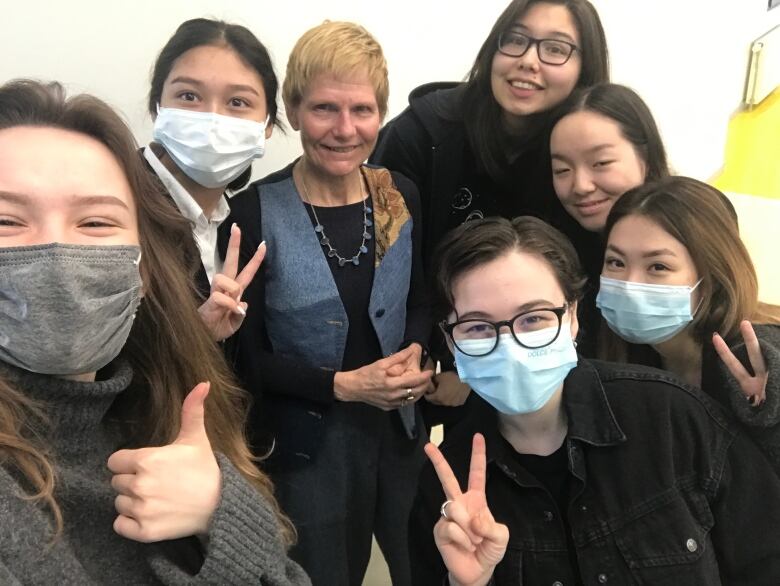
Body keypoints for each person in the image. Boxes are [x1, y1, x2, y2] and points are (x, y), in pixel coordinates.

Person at [0, 79, 309, 585]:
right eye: (7, 221)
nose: (56, 250)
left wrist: (221, 511)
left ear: (142, 269)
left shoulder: (163, 415)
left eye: (96, 223)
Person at [409, 215, 780, 586]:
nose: (510, 344)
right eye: (477, 326)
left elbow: (765, 558)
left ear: (572, 316)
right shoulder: (448, 490)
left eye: (534, 318)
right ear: (449, 338)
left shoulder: (671, 416)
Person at [227, 22, 432, 586]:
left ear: (382, 113)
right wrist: (344, 386)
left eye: (362, 110)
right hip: (307, 449)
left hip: (398, 434)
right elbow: (243, 359)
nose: (345, 129)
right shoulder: (251, 213)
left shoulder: (398, 193)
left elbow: (421, 299)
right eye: (324, 108)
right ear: (292, 111)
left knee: (423, 565)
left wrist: (418, 351)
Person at [371, 0, 609, 412]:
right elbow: (386, 260)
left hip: (546, 359)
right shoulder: (424, 134)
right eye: (514, 41)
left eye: (555, 48)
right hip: (427, 353)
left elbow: (591, 268)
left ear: (584, 68)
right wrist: (445, 356)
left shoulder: (582, 154)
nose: (528, 61)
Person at [597, 176, 780, 471]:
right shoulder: (622, 359)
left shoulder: (759, 354)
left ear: (711, 277)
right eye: (616, 262)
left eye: (658, 266)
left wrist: (767, 418)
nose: (630, 284)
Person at [145, 18, 275, 339]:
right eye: (189, 96)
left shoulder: (240, 223)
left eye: (237, 102)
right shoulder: (113, 211)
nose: (212, 119)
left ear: (268, 124)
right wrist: (194, 338)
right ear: (157, 107)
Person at [549, 82, 670, 354]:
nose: (580, 185)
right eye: (562, 169)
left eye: (601, 163)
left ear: (646, 157)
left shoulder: (692, 227)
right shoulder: (557, 251)